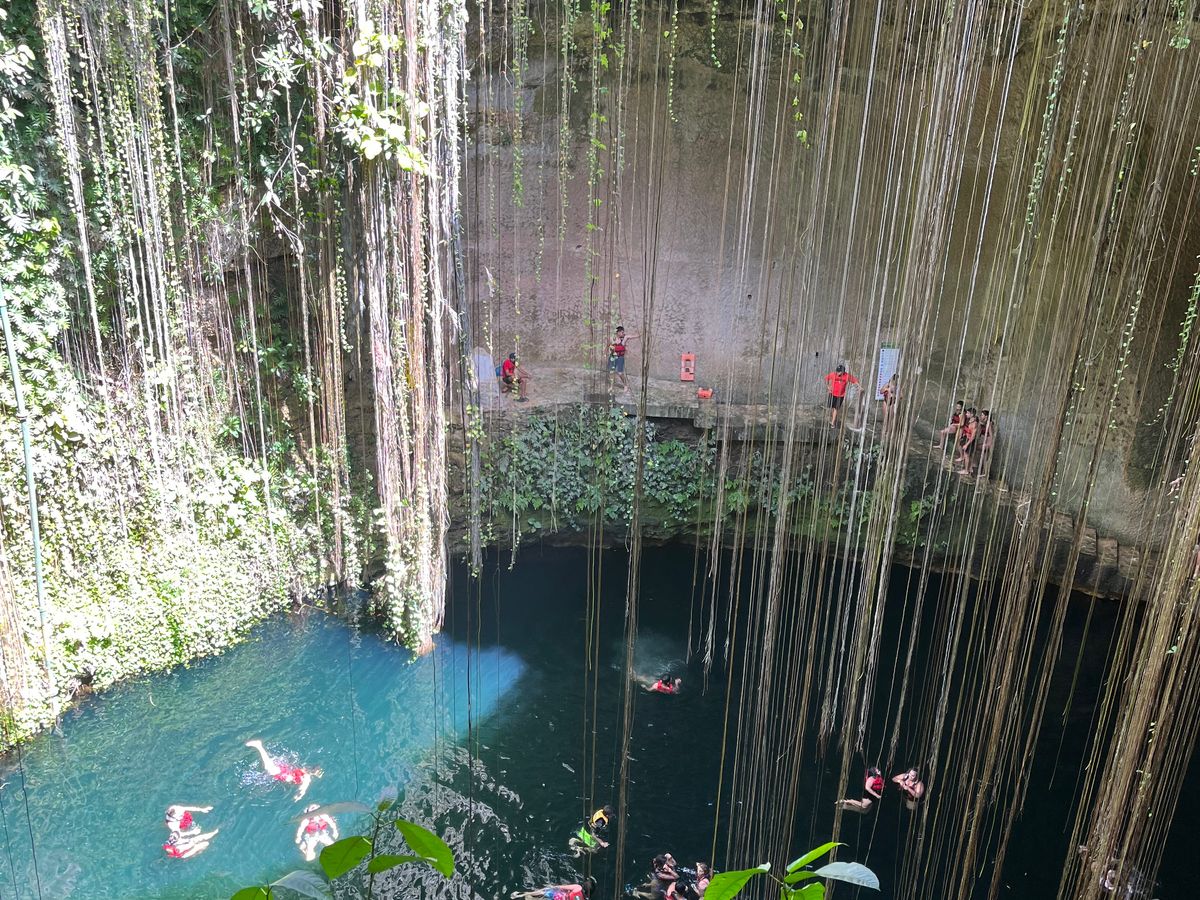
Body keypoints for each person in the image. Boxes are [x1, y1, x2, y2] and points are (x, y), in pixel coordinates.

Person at [245, 739, 322, 801]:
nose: (311, 770)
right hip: (283, 774)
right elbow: (303, 788)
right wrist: (299, 795)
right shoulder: (307, 778)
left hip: (285, 772)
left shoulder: (305, 770)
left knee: (268, 767)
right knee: (269, 768)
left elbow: (302, 787)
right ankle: (258, 745)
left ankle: (262, 753)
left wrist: (299, 793)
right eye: (313, 770)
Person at [609, 325, 637, 393]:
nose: (623, 333)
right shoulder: (612, 338)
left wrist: (640, 334)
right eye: (622, 332)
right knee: (612, 372)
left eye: (623, 332)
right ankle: (611, 386)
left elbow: (632, 336)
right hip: (613, 357)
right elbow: (609, 346)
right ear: (618, 332)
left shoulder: (624, 338)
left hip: (620, 357)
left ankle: (625, 385)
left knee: (620, 373)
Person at [510, 879, 596, 900]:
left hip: (558, 896)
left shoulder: (578, 887)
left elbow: (561, 887)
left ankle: (520, 895)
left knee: (543, 891)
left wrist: (551, 887)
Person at [954, 408, 977, 475]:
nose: (966, 414)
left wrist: (967, 444)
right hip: (966, 438)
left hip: (970, 441)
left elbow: (973, 437)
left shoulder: (974, 424)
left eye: (967, 413)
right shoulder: (969, 421)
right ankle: (969, 468)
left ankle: (966, 470)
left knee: (967, 455)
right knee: (966, 454)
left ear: (972, 414)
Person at [975, 409, 995, 477]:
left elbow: (991, 435)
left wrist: (990, 445)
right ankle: (985, 473)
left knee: (974, 448)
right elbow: (979, 434)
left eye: (982, 415)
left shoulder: (989, 424)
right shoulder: (983, 423)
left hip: (988, 443)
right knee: (984, 458)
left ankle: (974, 465)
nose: (981, 416)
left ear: (986, 416)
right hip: (986, 442)